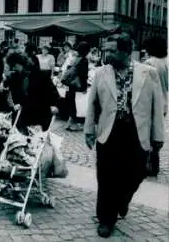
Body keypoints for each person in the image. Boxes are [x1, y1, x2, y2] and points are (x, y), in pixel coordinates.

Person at [84, 32, 165, 238]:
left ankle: (122, 200)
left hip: (136, 131)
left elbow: (157, 106)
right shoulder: (101, 72)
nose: (106, 53)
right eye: (106, 49)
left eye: (112, 50)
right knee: (106, 176)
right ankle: (105, 219)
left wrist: (158, 136)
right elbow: (92, 103)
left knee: (137, 172)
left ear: (126, 51)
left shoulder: (149, 72)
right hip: (109, 131)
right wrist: (88, 130)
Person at [5, 51, 60, 134]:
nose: (13, 69)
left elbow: (52, 91)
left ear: (20, 63)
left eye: (14, 66)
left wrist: (55, 105)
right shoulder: (15, 76)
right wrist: (14, 104)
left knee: (36, 140)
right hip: (23, 114)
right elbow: (12, 93)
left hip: (39, 113)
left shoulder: (40, 74)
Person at [142, 36, 168, 177]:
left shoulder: (149, 63)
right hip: (163, 102)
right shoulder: (165, 63)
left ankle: (149, 165)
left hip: (151, 102)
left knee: (147, 134)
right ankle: (154, 165)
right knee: (156, 133)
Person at [65, 42, 91, 132]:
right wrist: (85, 87)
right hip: (79, 85)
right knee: (78, 105)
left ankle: (69, 124)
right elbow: (84, 74)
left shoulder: (75, 58)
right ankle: (75, 124)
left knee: (73, 104)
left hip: (72, 84)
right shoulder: (84, 60)